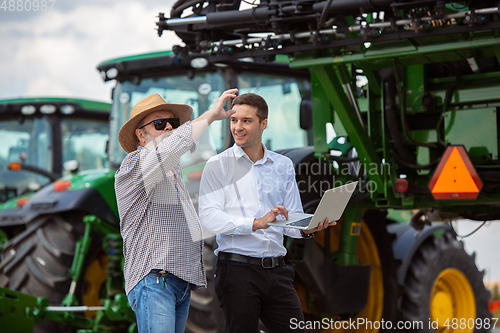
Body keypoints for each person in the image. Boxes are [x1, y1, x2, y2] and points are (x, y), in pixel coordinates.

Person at [198, 93, 337, 333]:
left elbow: (291, 219)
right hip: (237, 272)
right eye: (234, 120)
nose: (238, 127)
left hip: (278, 272)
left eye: (246, 121)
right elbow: (208, 218)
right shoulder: (217, 165)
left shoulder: (282, 165)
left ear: (263, 124)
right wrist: (255, 223)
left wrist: (308, 228)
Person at [115, 89, 237, 333]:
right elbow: (175, 145)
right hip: (155, 281)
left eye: (174, 123)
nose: (170, 128)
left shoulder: (172, 173)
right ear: (140, 135)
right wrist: (210, 116)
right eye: (160, 124)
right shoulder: (135, 165)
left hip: (177, 284)